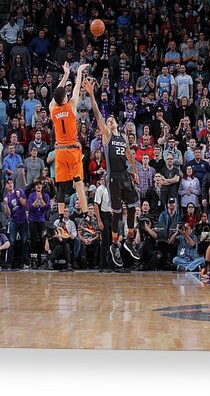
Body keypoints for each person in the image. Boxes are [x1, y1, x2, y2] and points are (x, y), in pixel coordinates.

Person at [83, 78, 140, 268]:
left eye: (112, 120)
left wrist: (135, 172)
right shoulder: (107, 136)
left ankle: (129, 240)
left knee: (132, 206)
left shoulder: (122, 137)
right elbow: (99, 115)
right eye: (108, 121)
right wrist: (91, 94)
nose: (109, 121)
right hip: (113, 177)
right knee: (116, 213)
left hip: (125, 175)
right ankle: (115, 245)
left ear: (116, 123)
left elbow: (130, 154)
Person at [49, 62, 90, 215]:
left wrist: (65, 75)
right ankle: (86, 213)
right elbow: (77, 87)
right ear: (65, 98)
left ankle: (60, 216)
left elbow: (56, 93)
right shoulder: (71, 105)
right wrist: (77, 72)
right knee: (78, 181)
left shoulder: (53, 108)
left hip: (59, 152)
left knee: (62, 186)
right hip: (72, 150)